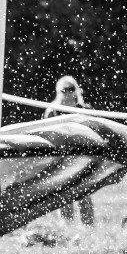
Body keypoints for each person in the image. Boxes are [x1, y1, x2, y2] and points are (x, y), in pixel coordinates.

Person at [44, 76, 95, 224]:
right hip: (62, 158)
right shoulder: (52, 111)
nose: (67, 93)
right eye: (64, 90)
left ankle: (89, 229)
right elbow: (48, 136)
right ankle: (67, 228)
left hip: (83, 156)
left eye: (71, 89)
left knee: (84, 193)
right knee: (64, 194)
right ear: (58, 92)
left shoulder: (85, 110)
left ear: (77, 90)